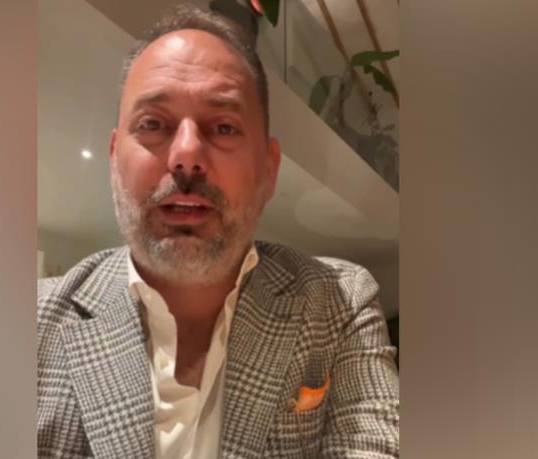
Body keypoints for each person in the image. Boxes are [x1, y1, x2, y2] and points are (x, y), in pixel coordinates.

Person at [38, 4, 399, 458]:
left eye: (224, 127)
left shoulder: (340, 303)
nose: (186, 155)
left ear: (268, 170)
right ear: (113, 160)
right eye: (153, 124)